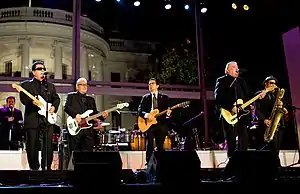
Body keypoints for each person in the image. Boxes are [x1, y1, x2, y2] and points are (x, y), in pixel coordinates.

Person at [20, 61, 60, 170]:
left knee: (48, 146)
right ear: (33, 72)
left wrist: (54, 107)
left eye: (43, 68)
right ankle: (34, 169)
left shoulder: (50, 86)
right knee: (31, 146)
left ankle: (46, 168)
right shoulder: (26, 85)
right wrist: (31, 102)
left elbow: (56, 99)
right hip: (32, 119)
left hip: (47, 120)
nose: (42, 70)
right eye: (39, 68)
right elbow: (23, 99)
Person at [214, 61, 252, 158]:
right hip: (229, 114)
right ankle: (232, 161)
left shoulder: (241, 81)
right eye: (234, 67)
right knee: (231, 140)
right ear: (227, 70)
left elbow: (247, 96)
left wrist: (251, 104)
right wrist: (231, 107)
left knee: (244, 139)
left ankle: (244, 161)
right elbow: (218, 98)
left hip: (242, 114)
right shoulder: (222, 80)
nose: (237, 69)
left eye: (237, 67)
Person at [64, 77, 108, 155]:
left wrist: (102, 116)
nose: (84, 86)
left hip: (88, 130)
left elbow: (94, 113)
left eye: (86, 85)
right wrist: (76, 115)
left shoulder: (91, 99)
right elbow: (66, 107)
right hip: (75, 129)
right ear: (77, 87)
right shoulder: (71, 96)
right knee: (74, 154)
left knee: (88, 155)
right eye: (82, 85)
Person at [138, 78, 171, 165]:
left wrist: (168, 114)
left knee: (160, 146)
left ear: (157, 86)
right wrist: (147, 115)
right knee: (149, 146)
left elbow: (168, 112)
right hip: (149, 125)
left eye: (152, 83)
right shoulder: (145, 98)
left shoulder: (164, 98)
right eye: (149, 84)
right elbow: (140, 111)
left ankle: (160, 165)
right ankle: (148, 165)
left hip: (161, 124)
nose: (150, 86)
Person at [254, 76, 286, 155]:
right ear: (266, 84)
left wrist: (282, 104)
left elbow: (283, 107)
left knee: (276, 149)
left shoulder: (277, 95)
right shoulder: (259, 94)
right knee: (269, 149)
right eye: (271, 83)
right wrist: (264, 120)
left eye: (275, 83)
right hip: (266, 125)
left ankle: (276, 164)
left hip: (278, 125)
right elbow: (256, 110)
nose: (273, 85)